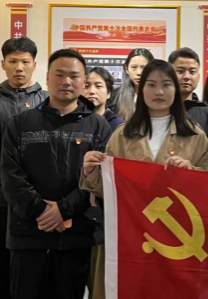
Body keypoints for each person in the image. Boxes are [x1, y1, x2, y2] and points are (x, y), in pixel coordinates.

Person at [1, 49, 112, 299]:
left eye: (74, 76)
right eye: (59, 75)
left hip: (76, 235)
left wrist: (64, 209)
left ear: (83, 81)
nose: (66, 81)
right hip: (28, 234)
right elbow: (10, 176)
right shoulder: (21, 123)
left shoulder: (98, 126)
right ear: (47, 78)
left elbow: (99, 179)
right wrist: (42, 211)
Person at [0, 37, 48, 299]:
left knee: (37, 261)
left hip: (40, 199)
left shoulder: (48, 102)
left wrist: (33, 193)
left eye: (25, 61)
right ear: (2, 64)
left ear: (34, 64)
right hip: (0, 198)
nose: (19, 67)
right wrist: (11, 189)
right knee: (0, 260)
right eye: (13, 61)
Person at [81, 59, 208, 196]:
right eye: (151, 85)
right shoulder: (122, 135)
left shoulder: (196, 135)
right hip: (133, 210)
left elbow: (207, 189)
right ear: (141, 90)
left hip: (178, 209)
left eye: (166, 85)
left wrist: (190, 171)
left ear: (175, 90)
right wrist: (91, 172)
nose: (159, 92)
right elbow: (111, 192)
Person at [82, 67, 123, 299]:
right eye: (87, 85)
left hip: (104, 211)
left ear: (109, 92)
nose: (91, 91)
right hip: (74, 210)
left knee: (100, 280)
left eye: (98, 86)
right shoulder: (75, 121)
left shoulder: (120, 128)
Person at [168, 47, 208, 157]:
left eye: (192, 72)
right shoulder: (160, 109)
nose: (186, 77)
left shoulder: (207, 114)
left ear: (198, 77)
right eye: (180, 71)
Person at [110, 48, 154, 121]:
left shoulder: (157, 95)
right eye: (134, 67)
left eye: (144, 68)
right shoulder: (115, 97)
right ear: (126, 69)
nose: (139, 73)